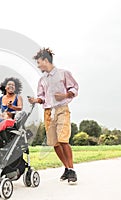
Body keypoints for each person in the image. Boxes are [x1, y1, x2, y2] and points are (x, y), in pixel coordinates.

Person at [28, 48, 79, 184]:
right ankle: (66, 168)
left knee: (63, 140)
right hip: (48, 112)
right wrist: (36, 100)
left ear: (46, 60)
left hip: (61, 109)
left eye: (39, 62)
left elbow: (74, 88)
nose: (38, 66)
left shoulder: (63, 74)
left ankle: (72, 170)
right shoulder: (42, 80)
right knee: (54, 143)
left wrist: (65, 95)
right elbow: (41, 97)